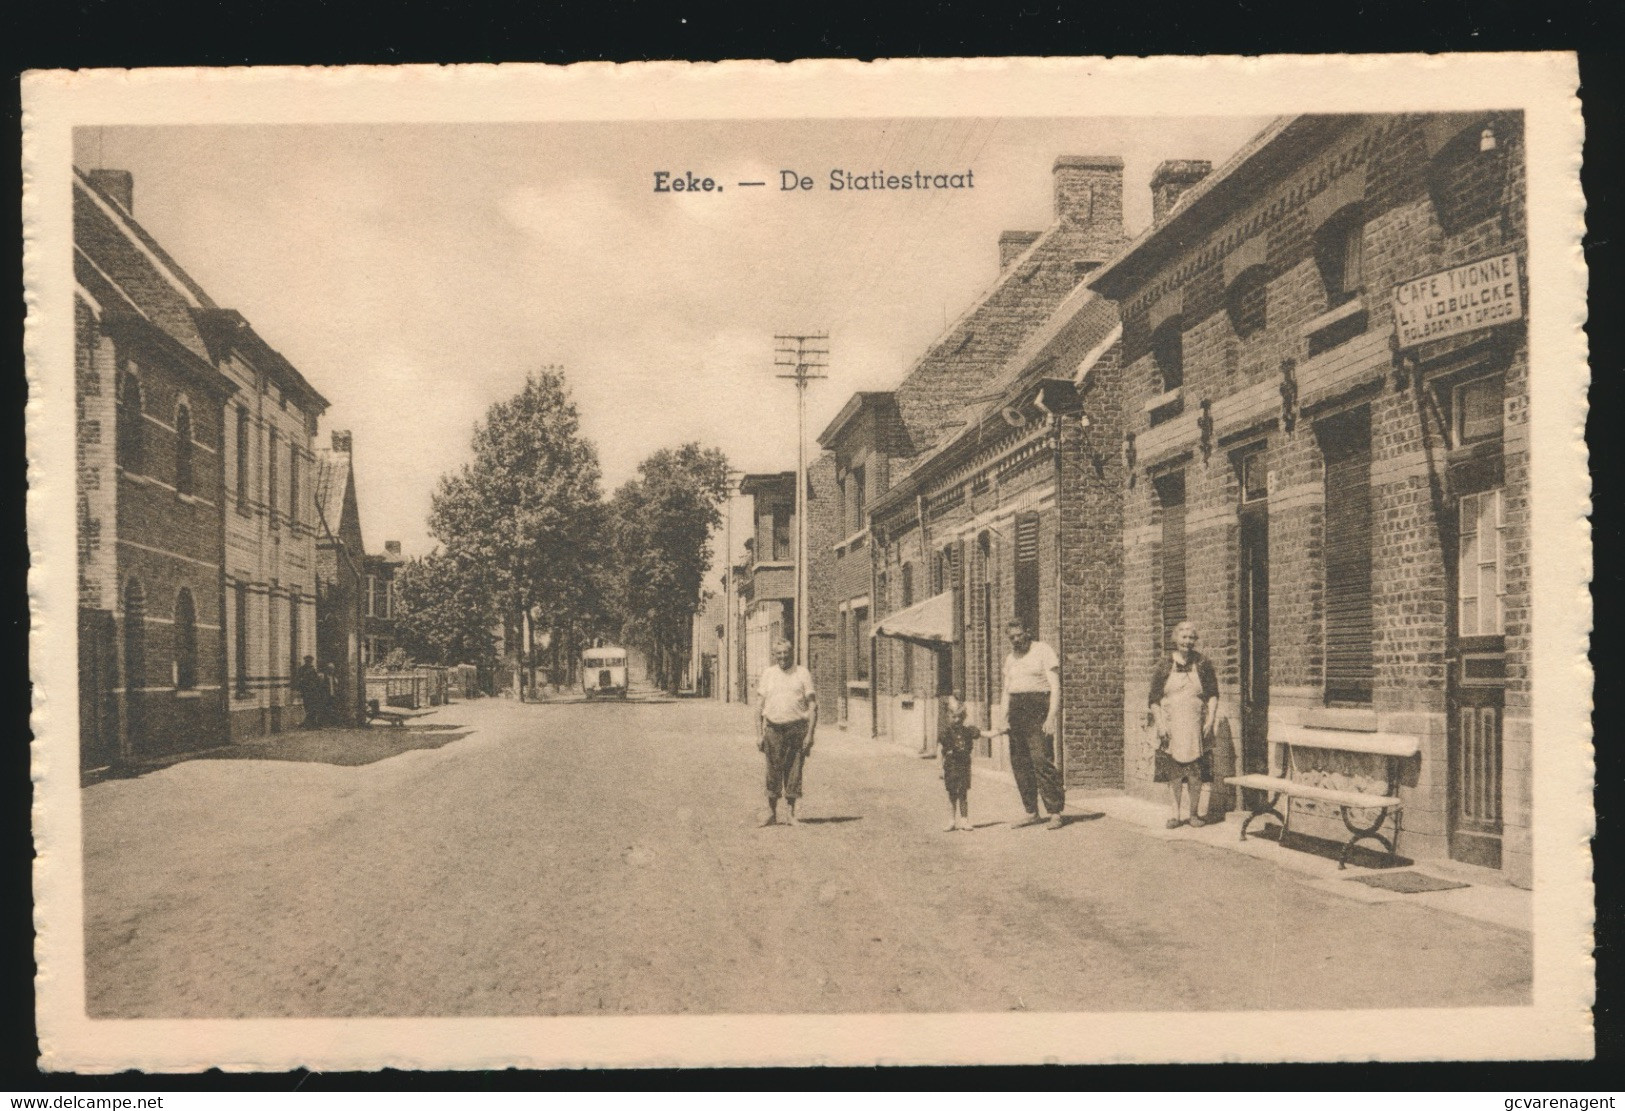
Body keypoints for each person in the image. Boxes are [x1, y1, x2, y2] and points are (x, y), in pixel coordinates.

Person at [1149, 620, 1221, 829]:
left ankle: (1194, 814)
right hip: (1171, 727)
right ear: (1175, 639)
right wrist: (1161, 725)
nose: (1187, 642)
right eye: (1184, 637)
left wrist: (1210, 719)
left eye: (1191, 638)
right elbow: (1153, 699)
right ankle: (1174, 815)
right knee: (1175, 773)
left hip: (1196, 727)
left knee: (1195, 773)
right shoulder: (1164, 665)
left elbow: (1213, 694)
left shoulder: (1203, 664)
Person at [998, 619, 1067, 829]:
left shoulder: (1043, 650)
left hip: (1038, 710)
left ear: (1028, 632)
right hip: (1017, 713)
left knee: (1041, 761)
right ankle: (1031, 812)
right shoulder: (1010, 659)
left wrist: (1051, 716)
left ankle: (1055, 812)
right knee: (1020, 763)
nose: (1016, 640)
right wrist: (1002, 719)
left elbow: (1055, 687)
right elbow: (1006, 692)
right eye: (1012, 637)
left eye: (1019, 635)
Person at [756, 638, 818, 826]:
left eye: (786, 653)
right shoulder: (768, 674)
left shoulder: (802, 673)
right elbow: (759, 707)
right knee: (772, 771)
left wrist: (810, 735)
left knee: (794, 770)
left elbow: (813, 705)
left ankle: (791, 814)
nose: (783, 657)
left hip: (796, 728)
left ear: (792, 654)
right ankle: (771, 813)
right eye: (779, 653)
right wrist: (759, 734)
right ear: (774, 655)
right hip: (773, 728)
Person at [937, 695, 981, 832]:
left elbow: (983, 734)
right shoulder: (946, 732)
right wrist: (940, 768)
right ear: (948, 717)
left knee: (963, 794)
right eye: (953, 717)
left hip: (964, 766)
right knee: (951, 795)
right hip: (950, 766)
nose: (956, 720)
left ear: (963, 717)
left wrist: (999, 732)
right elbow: (940, 750)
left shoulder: (967, 731)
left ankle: (964, 820)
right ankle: (951, 821)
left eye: (959, 717)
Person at [295, 656, 323, 728]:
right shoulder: (302, 669)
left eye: (310, 661)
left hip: (313, 691)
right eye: (308, 661)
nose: (309, 662)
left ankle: (310, 723)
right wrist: (300, 689)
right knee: (308, 707)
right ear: (305, 661)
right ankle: (309, 724)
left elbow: (316, 680)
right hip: (306, 691)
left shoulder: (313, 669)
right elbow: (298, 680)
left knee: (313, 707)